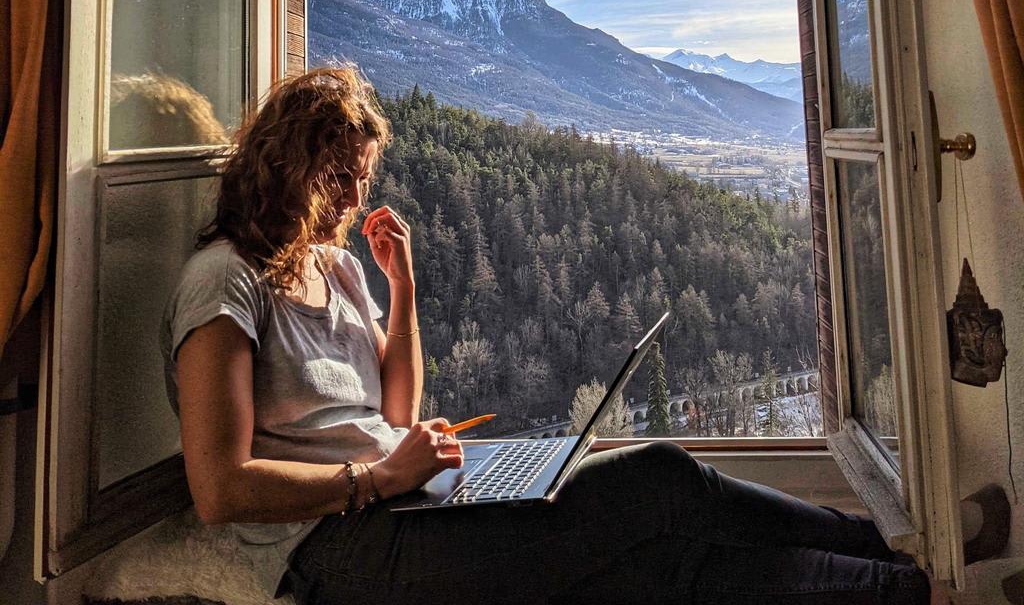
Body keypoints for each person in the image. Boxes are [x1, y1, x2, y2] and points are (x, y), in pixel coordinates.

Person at [161, 66, 932, 605]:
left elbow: (394, 410)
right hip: (330, 547)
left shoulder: (338, 269)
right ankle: (880, 554)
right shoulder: (224, 281)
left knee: (654, 571)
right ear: (283, 165)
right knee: (659, 478)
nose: (356, 198)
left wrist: (404, 287)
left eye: (364, 177)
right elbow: (220, 488)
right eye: (338, 177)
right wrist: (376, 481)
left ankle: (900, 584)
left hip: (397, 502)